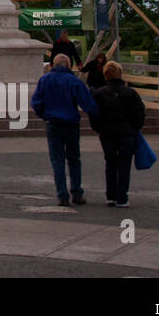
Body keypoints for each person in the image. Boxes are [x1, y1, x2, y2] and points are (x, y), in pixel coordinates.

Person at [30, 54, 99, 206]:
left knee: (57, 160)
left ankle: (62, 195)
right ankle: (76, 192)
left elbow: (36, 103)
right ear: (69, 65)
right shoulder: (74, 81)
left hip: (53, 123)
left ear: (53, 65)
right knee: (74, 159)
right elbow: (88, 104)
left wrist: (45, 115)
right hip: (71, 123)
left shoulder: (45, 80)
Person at [89, 60, 145, 208]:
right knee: (124, 165)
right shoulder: (131, 93)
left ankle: (111, 196)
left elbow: (94, 114)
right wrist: (135, 128)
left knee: (110, 163)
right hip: (127, 133)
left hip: (107, 133)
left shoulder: (99, 94)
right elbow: (139, 113)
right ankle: (122, 197)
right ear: (120, 74)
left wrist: (98, 128)